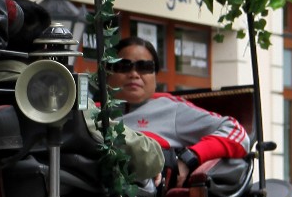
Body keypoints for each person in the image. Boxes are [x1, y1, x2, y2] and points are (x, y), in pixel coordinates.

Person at [106, 35, 250, 188]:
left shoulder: (171, 109)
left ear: (155, 77)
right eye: (124, 66)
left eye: (144, 67)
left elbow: (237, 132)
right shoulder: (90, 110)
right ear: (108, 73)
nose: (134, 74)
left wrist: (190, 157)